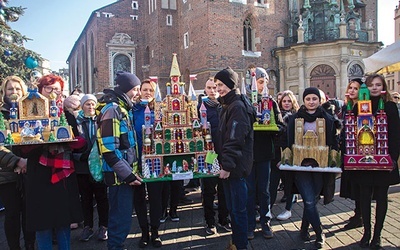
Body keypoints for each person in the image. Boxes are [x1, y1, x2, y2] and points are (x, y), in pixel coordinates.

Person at [24, 74, 83, 250]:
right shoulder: (30, 115)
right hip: (39, 174)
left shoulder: (67, 116)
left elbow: (80, 141)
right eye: (49, 88)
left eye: (57, 90)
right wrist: (37, 141)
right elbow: (22, 147)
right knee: (42, 223)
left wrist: (71, 143)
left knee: (63, 221)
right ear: (41, 90)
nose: (53, 93)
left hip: (63, 175)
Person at [282, 87, 339, 249]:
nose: (311, 102)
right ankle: (320, 232)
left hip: (320, 166)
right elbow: (288, 141)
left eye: (314, 98)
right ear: (304, 101)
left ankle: (304, 227)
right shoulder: (294, 119)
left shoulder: (327, 119)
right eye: (308, 99)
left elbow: (333, 142)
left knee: (312, 200)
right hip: (301, 166)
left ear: (319, 100)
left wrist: (333, 157)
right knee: (308, 199)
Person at [352, 74, 400, 249]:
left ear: (383, 87)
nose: (374, 88)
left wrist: (393, 157)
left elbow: (395, 133)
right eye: (371, 85)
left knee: (381, 196)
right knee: (364, 196)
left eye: (378, 85)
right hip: (363, 159)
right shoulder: (360, 106)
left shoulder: (390, 106)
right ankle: (367, 232)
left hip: (384, 158)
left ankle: (377, 234)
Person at [96, 71, 143, 250]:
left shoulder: (122, 108)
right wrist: (128, 175)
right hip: (118, 177)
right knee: (119, 219)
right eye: (135, 89)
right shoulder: (112, 110)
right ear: (126, 89)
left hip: (125, 175)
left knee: (122, 219)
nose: (137, 93)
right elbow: (109, 149)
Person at [214, 67, 255, 250]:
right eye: (216, 85)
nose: (218, 88)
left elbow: (235, 138)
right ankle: (237, 242)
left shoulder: (236, 106)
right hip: (232, 165)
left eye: (221, 84)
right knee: (234, 208)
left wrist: (227, 166)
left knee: (238, 210)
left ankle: (241, 245)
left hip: (236, 168)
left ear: (231, 84)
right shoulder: (228, 105)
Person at [0, 76, 36, 250]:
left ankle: (30, 245)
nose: (14, 92)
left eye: (17, 89)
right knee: (12, 215)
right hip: (7, 173)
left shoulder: (29, 111)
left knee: (30, 214)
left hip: (29, 170)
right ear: (4, 92)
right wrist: (17, 162)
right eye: (10, 89)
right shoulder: (1, 113)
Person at [246, 67, 282, 240]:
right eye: (259, 82)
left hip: (265, 153)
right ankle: (250, 223)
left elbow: (280, 125)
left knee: (264, 190)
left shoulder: (271, 102)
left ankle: (265, 221)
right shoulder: (246, 102)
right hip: (249, 153)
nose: (261, 86)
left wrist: (273, 130)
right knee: (250, 189)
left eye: (263, 82)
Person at [132, 79, 163, 248]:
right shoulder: (133, 110)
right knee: (139, 198)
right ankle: (144, 232)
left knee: (156, 197)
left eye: (150, 90)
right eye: (144, 90)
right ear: (140, 92)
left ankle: (155, 231)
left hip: (155, 159)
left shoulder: (160, 109)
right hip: (137, 158)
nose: (147, 93)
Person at [75, 94, 109, 242]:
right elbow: (70, 142)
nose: (90, 107)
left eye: (92, 104)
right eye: (87, 104)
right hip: (82, 166)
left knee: (101, 197)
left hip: (98, 165)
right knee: (86, 198)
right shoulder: (76, 121)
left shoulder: (100, 120)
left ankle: (104, 227)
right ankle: (87, 227)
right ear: (82, 106)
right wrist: (79, 156)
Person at [199, 78, 230, 235]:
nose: (212, 90)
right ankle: (210, 222)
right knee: (209, 190)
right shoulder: (201, 107)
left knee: (224, 189)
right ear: (205, 89)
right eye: (209, 87)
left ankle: (224, 220)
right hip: (209, 154)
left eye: (215, 87)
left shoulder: (224, 106)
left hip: (224, 153)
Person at [270, 90, 299, 221]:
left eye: (289, 101)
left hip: (290, 153)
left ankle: (288, 209)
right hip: (276, 152)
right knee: (272, 183)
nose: (286, 103)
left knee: (288, 182)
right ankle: (268, 209)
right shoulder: (276, 115)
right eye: (284, 101)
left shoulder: (297, 116)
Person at [339, 78, 363, 231]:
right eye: (350, 87)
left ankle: (360, 215)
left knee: (360, 185)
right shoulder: (347, 105)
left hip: (359, 150)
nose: (352, 90)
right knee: (353, 184)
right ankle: (357, 212)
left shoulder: (362, 106)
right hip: (348, 149)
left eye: (356, 88)